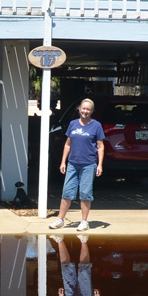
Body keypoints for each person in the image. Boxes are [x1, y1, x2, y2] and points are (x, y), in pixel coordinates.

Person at [50, 98, 104, 231]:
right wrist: (63, 162)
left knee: (85, 193)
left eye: (88, 109)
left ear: (92, 111)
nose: (85, 111)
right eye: (83, 108)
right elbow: (67, 144)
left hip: (88, 164)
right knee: (67, 192)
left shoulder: (96, 125)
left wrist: (99, 165)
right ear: (79, 109)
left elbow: (101, 146)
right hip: (72, 164)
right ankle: (60, 219)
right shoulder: (73, 124)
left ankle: (84, 222)